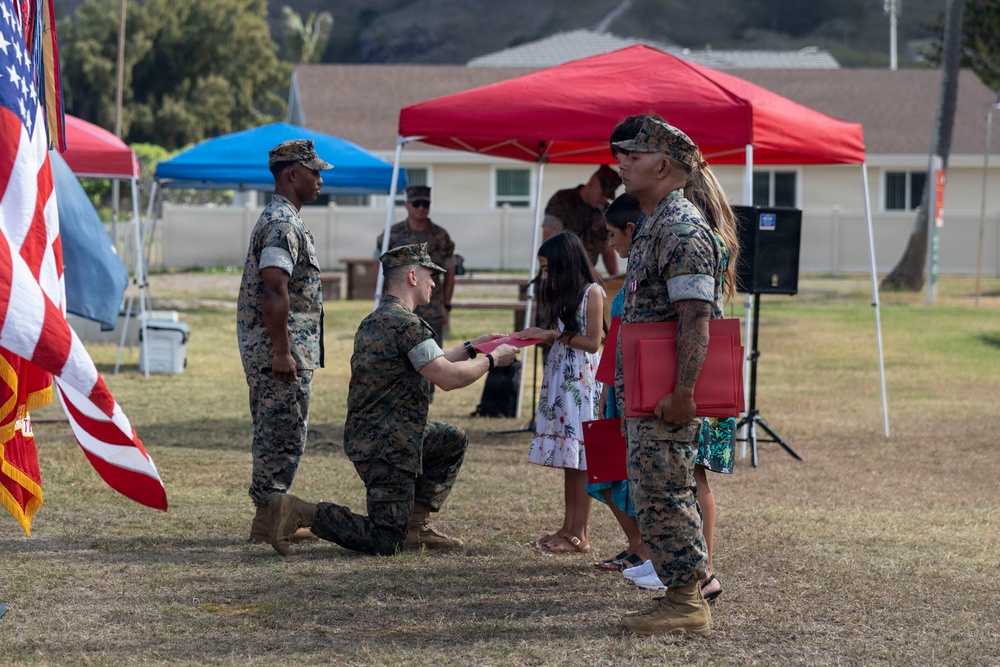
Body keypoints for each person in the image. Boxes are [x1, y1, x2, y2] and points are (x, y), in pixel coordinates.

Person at [267, 244, 519, 557]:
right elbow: (448, 378)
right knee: (387, 541)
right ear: (413, 276)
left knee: (449, 440)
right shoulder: (407, 326)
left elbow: (431, 360)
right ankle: (303, 512)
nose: (434, 283)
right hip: (388, 447)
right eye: (430, 275)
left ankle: (414, 526)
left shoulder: (380, 320)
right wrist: (493, 360)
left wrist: (472, 347)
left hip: (384, 436)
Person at [611, 115, 728, 636]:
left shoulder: (681, 227)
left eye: (633, 156)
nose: (623, 162)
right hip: (646, 389)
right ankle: (678, 594)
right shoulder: (655, 222)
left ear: (663, 166)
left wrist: (683, 394)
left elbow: (695, 317)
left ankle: (686, 601)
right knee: (653, 488)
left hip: (666, 393)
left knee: (668, 488)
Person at [237, 139, 331, 545]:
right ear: (292, 174)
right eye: (314, 171)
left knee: (282, 430)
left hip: (284, 349)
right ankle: (270, 518)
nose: (320, 180)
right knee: (282, 432)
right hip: (279, 352)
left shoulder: (285, 219)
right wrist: (281, 351)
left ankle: (269, 517)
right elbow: (274, 290)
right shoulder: (282, 224)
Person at [518, 232, 605, 555]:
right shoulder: (565, 295)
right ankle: (567, 527)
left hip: (580, 382)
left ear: (564, 264)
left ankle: (579, 533)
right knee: (571, 461)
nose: (544, 276)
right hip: (562, 379)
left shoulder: (592, 294)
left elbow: (593, 342)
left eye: (546, 268)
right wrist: (538, 335)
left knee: (581, 460)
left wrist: (555, 334)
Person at [587, 194, 649, 572]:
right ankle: (636, 544)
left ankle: (645, 549)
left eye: (613, 235)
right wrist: (606, 391)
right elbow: (614, 342)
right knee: (606, 472)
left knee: (628, 476)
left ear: (631, 230)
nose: (610, 245)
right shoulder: (628, 283)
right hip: (615, 387)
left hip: (636, 392)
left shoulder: (644, 281)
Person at [376, 185, 456, 346]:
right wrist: (379, 299)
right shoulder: (392, 235)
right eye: (416, 203)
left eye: (425, 204)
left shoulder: (441, 236)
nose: (421, 208)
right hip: (398, 307)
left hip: (431, 307)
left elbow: (450, 272)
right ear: (406, 205)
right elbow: (378, 270)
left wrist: (446, 305)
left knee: (433, 358)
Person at [542, 165, 622, 275]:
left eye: (607, 196)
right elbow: (549, 243)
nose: (603, 199)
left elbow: (608, 250)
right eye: (602, 194)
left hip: (585, 280)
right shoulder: (562, 200)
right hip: (558, 277)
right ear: (593, 183)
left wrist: (615, 280)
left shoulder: (605, 212)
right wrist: (585, 267)